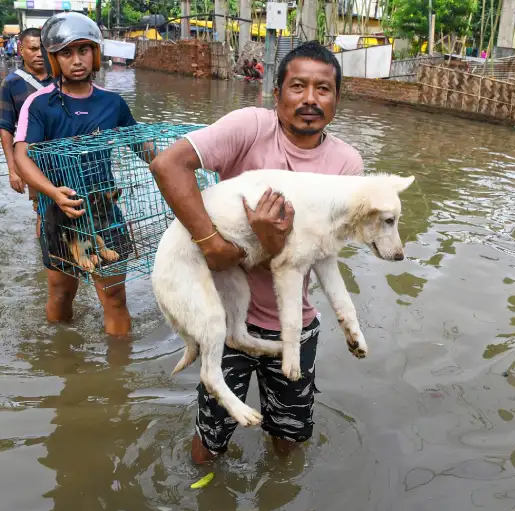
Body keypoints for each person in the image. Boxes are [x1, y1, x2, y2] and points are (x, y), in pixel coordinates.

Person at [149, 40, 364, 464]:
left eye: (323, 89)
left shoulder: (347, 166)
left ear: (338, 98)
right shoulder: (249, 126)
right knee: (210, 440)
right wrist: (213, 246)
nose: (309, 99)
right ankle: (206, 492)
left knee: (290, 435)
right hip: (227, 314)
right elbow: (167, 165)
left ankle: (279, 492)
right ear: (276, 92)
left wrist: (271, 242)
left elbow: (320, 254)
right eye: (297, 86)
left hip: (293, 325)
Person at [13, 12, 149, 336]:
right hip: (57, 212)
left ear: (96, 54)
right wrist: (52, 192)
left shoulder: (113, 103)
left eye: (84, 50)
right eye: (67, 53)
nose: (77, 60)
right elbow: (22, 154)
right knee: (62, 293)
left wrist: (189, 160)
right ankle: (62, 359)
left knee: (114, 297)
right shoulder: (39, 104)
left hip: (103, 208)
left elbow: (143, 147)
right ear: (54, 58)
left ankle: (119, 376)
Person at [0, 27, 53, 203]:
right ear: (21, 50)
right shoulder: (11, 84)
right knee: (43, 211)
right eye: (33, 49)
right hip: (34, 160)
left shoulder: (61, 78)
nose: (39, 54)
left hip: (66, 156)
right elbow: (6, 127)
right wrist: (13, 169)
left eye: (43, 49)